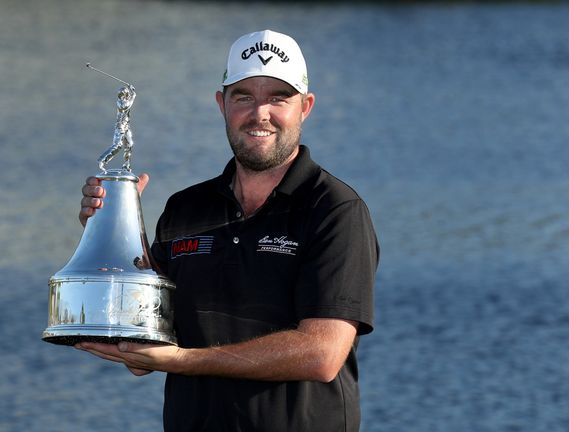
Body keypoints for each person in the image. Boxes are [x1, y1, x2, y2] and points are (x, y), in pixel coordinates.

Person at [75, 29, 379, 432]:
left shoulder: (335, 210)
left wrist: (186, 361)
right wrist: (113, 233)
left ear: (305, 107)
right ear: (222, 104)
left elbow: (321, 355)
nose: (260, 114)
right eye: (244, 96)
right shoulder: (185, 208)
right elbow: (144, 352)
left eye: (278, 98)